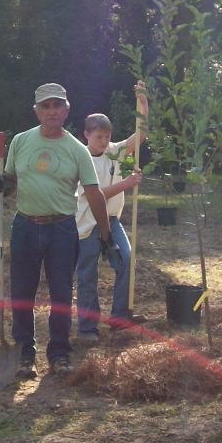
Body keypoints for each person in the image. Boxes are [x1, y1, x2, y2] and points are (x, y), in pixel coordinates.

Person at [0, 82, 111, 378]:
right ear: (36, 111)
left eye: (57, 106)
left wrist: (106, 232)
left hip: (61, 229)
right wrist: (1, 184)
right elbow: (9, 181)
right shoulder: (21, 142)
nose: (52, 112)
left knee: (61, 292)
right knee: (23, 291)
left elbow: (94, 193)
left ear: (67, 110)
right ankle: (25, 353)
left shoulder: (76, 150)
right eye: (45, 106)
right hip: (25, 225)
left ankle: (59, 352)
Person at [74, 82, 148, 342]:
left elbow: (139, 137)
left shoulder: (115, 152)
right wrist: (126, 184)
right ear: (87, 135)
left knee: (126, 260)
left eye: (107, 137)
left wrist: (142, 103)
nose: (104, 142)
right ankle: (87, 327)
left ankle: (119, 316)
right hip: (87, 224)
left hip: (112, 220)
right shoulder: (80, 158)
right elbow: (96, 195)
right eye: (98, 137)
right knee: (87, 273)